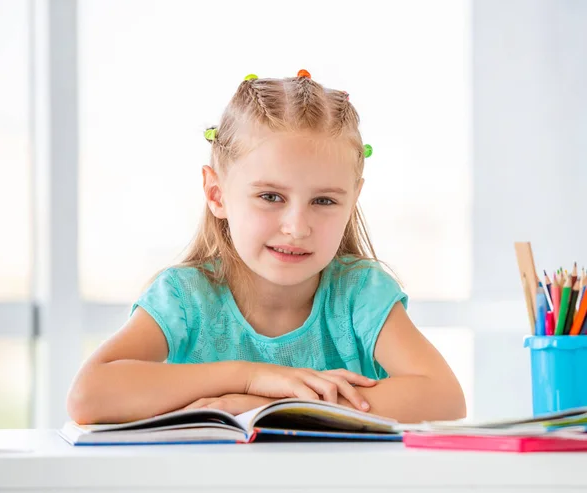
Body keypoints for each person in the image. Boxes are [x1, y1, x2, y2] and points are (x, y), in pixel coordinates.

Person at [67, 70, 466, 425]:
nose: (296, 228)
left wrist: (255, 403)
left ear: (353, 199)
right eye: (271, 197)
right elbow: (89, 396)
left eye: (324, 201)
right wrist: (250, 376)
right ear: (217, 193)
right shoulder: (187, 297)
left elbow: (444, 398)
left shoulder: (359, 293)